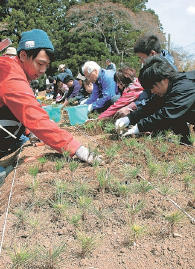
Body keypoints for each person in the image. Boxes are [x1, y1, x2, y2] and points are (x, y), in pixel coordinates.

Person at [0, 29, 101, 172]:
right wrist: (75, 147)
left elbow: (21, 106)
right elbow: (31, 113)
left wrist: (29, 132)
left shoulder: (13, 68)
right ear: (23, 55)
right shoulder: (8, 72)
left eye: (46, 65)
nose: (43, 70)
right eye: (40, 63)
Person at [115, 56, 195, 144]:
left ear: (163, 80)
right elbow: (151, 106)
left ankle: (185, 145)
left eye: (152, 87)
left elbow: (166, 114)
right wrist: (129, 119)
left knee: (172, 113)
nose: (152, 91)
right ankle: (184, 143)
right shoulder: (170, 86)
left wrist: (138, 127)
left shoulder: (183, 88)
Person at [116, 34, 177, 118]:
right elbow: (147, 91)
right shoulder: (153, 65)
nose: (141, 61)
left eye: (142, 58)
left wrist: (134, 107)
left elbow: (156, 99)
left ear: (152, 53)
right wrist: (133, 105)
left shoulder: (166, 70)